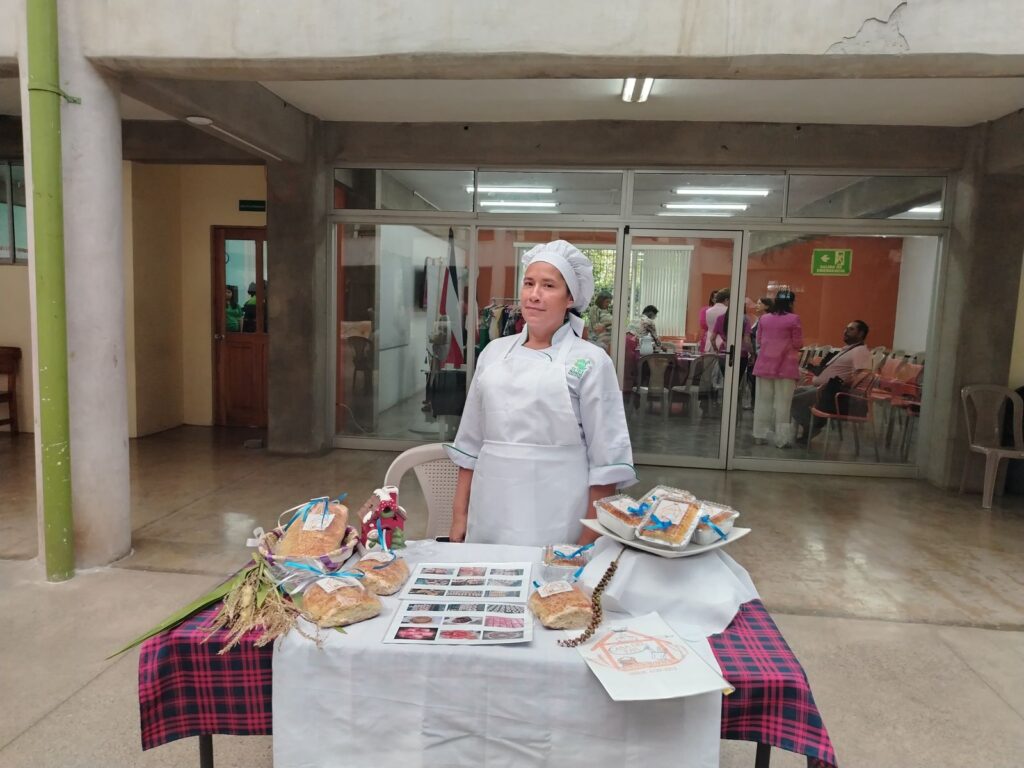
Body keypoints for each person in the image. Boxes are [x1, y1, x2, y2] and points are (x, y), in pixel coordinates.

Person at [446, 240, 637, 546]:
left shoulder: (590, 361)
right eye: (529, 283)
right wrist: (459, 516)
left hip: (559, 515)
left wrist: (586, 542)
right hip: (490, 508)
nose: (534, 295)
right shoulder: (493, 353)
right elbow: (470, 443)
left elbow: (606, 461)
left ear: (570, 298)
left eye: (548, 285)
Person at [791, 320, 873, 440]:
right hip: (823, 388)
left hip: (833, 393)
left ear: (861, 334)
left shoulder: (860, 351)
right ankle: (811, 425)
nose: (846, 331)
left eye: (851, 329)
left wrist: (840, 384)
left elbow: (861, 376)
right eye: (846, 328)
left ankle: (812, 426)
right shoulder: (849, 349)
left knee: (795, 399)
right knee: (792, 395)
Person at [751, 290, 803, 447]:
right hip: (785, 367)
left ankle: (759, 434)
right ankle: (782, 439)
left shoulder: (764, 318)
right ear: (791, 303)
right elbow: (798, 344)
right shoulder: (794, 319)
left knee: (763, 402)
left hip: (764, 365)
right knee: (783, 404)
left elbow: (759, 340)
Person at [748, 296, 774, 410]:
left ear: (767, 306)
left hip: (761, 354)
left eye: (760, 303)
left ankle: (757, 405)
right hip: (755, 353)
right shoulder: (759, 319)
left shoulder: (768, 320)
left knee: (757, 380)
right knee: (753, 379)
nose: (757, 306)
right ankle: (754, 403)